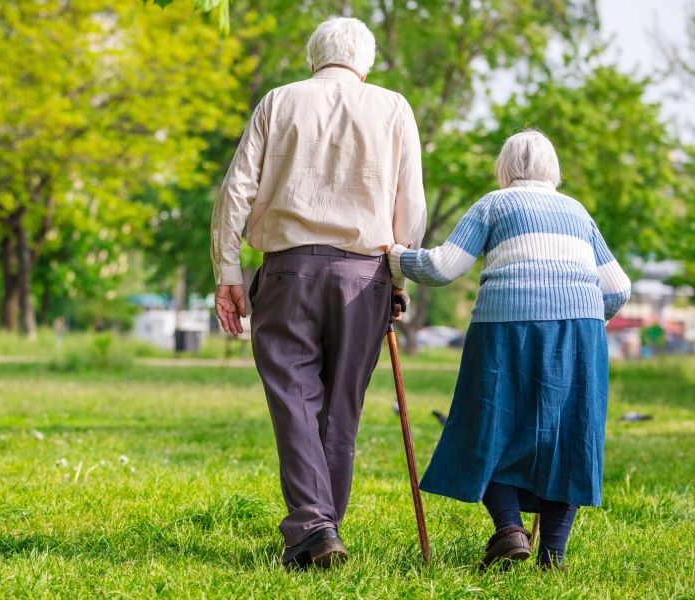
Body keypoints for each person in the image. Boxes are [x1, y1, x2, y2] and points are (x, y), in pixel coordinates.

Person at [211, 16, 427, 569]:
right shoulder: (393, 107)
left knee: (294, 401)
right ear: (366, 62)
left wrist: (228, 270)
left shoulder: (279, 101)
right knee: (341, 411)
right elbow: (411, 206)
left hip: (288, 272)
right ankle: (321, 527)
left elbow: (236, 191)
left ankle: (314, 527)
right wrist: (398, 281)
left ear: (314, 57)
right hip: (365, 275)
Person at [386, 130, 631, 571]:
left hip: (505, 327)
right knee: (569, 438)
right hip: (580, 331)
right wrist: (585, 316)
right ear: (552, 169)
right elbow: (619, 287)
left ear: (505, 167)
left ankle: (510, 529)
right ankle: (552, 557)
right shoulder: (577, 211)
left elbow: (443, 267)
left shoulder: (494, 204)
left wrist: (397, 257)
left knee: (487, 426)